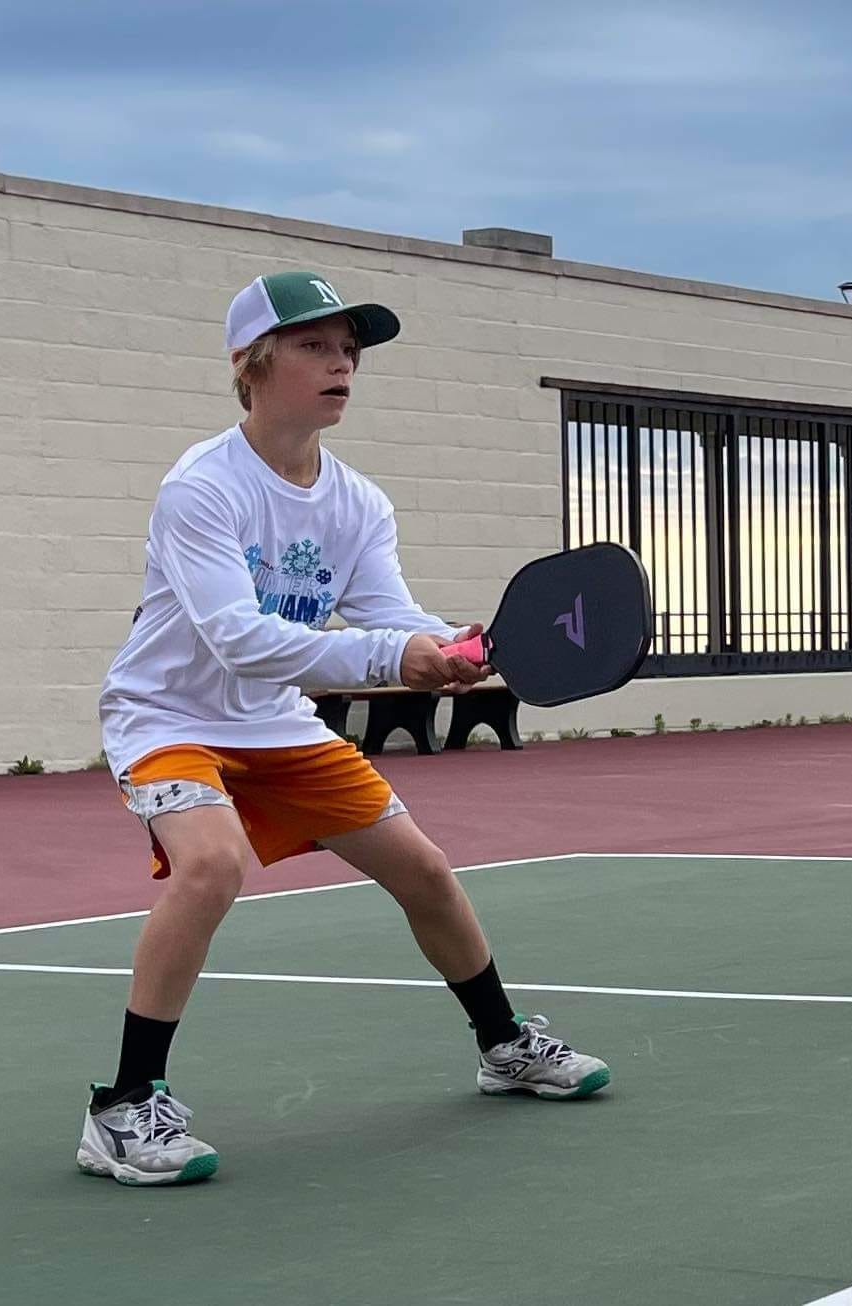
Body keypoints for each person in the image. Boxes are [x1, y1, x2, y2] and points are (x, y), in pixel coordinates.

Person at [83, 271, 609, 1187]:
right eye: (316, 348)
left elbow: (388, 613)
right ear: (253, 365)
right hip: (168, 715)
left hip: (278, 726)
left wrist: (443, 649)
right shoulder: (201, 489)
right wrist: (389, 660)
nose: (342, 366)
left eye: (350, 352)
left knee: (426, 872)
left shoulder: (359, 501)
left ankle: (504, 1047)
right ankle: (125, 1108)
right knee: (211, 866)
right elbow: (238, 639)